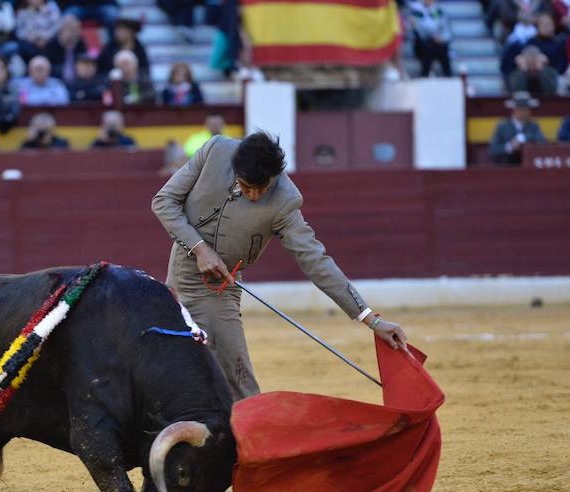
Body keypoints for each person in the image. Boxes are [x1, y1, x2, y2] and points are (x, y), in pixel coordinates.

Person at [151, 131, 408, 406]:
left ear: (274, 177)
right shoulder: (216, 151)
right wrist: (200, 249)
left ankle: (246, 430)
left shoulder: (285, 200)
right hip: (180, 272)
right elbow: (163, 201)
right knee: (172, 366)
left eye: (261, 189)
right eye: (245, 186)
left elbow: (316, 260)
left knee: (238, 379)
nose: (252, 195)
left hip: (218, 286)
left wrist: (371, 319)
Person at [488, 91, 547, 164]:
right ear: (514, 110)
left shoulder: (533, 125)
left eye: (525, 110)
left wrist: (524, 139)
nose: (523, 113)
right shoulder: (503, 126)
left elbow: (542, 143)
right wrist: (510, 146)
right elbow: (493, 150)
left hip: (529, 164)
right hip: (507, 165)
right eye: (520, 109)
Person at [408, 0, 453, 77]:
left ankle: (448, 75)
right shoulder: (416, 11)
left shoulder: (439, 11)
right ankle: (425, 74)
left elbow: (447, 32)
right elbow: (414, 31)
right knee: (428, 46)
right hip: (422, 43)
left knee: (443, 47)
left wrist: (442, 38)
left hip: (437, 43)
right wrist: (414, 26)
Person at [43, 14, 87, 83]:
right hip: (56, 82)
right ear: (61, 31)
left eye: (77, 29)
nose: (75, 33)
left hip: (77, 83)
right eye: (71, 29)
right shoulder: (51, 45)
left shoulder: (81, 44)